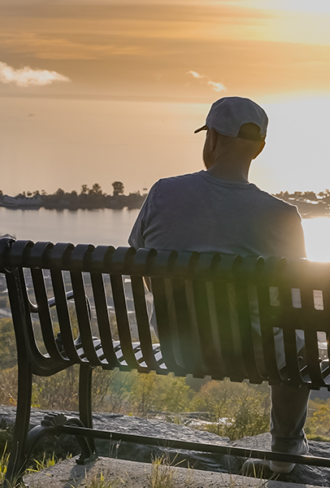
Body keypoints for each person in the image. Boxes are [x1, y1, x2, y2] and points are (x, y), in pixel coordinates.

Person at [128, 96, 310, 474]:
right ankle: (285, 446)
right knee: (300, 344)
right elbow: (295, 301)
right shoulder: (283, 216)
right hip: (255, 351)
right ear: (259, 149)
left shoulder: (163, 193)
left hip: (178, 341)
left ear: (210, 138)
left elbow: (143, 269)